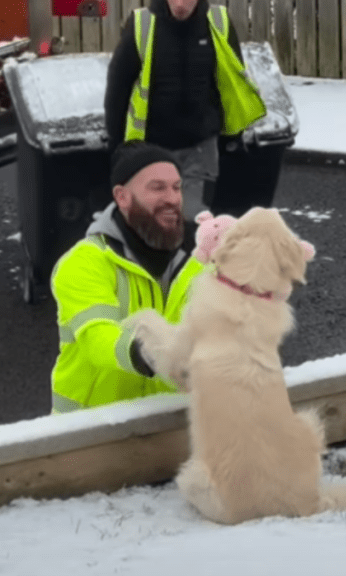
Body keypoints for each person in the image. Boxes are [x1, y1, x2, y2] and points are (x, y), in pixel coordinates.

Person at [50, 141, 206, 413]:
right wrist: (148, 352)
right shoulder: (85, 262)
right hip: (88, 433)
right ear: (122, 197)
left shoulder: (195, 263)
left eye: (176, 187)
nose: (172, 198)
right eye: (157, 187)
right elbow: (98, 338)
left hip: (165, 422)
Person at [104, 0, 266, 221]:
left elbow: (229, 81)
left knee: (194, 221)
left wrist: (231, 136)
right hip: (154, 146)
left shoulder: (218, 21)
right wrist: (116, 141)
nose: (181, 3)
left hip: (201, 147)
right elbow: (118, 87)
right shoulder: (142, 23)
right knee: (158, 222)